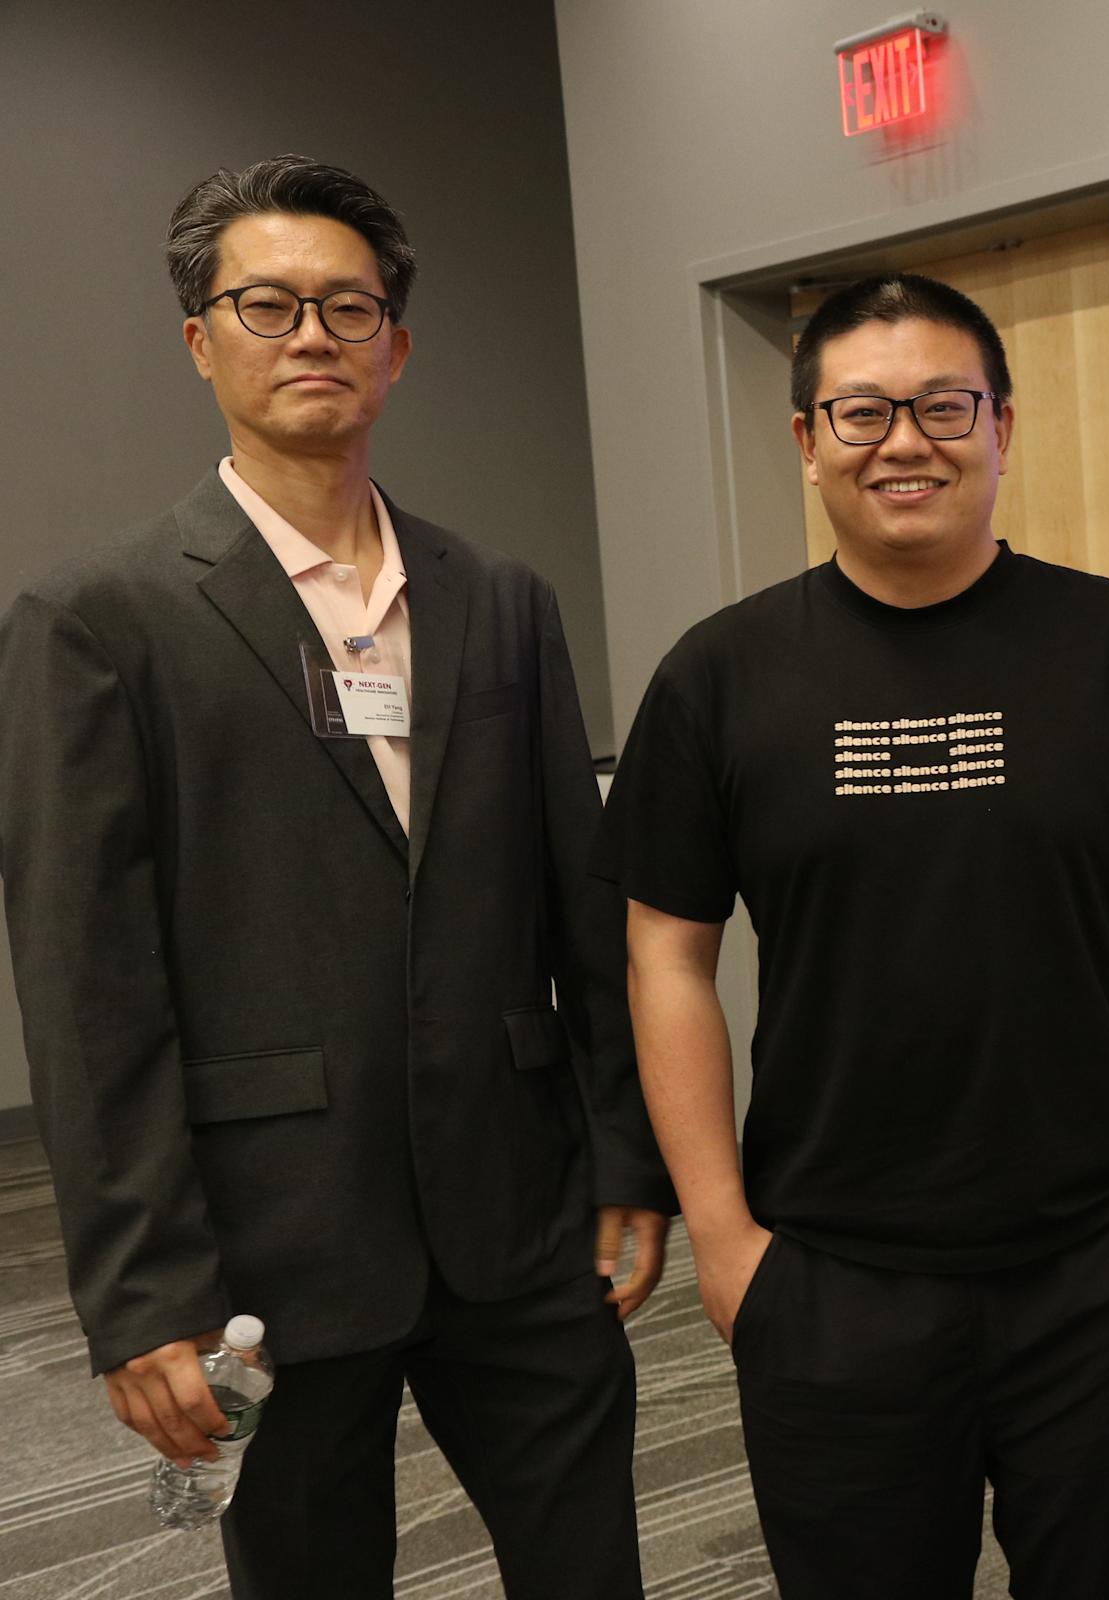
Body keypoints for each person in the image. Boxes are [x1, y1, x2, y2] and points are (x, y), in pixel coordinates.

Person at [0, 156, 672, 1597]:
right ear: (202, 340)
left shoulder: (498, 598)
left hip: (522, 1218)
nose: (313, 335)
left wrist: (628, 1151)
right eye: (270, 304)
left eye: (349, 308)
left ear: (398, 346)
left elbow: (585, 904)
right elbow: (87, 986)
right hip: (269, 1252)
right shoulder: (97, 617)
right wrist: (140, 1296)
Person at [597, 272, 1109, 1597]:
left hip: (1098, 1267)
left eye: (943, 406)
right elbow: (666, 956)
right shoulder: (719, 677)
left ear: (1003, 427)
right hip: (830, 1282)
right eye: (860, 411)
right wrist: (730, 1241)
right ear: (806, 443)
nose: (904, 441)